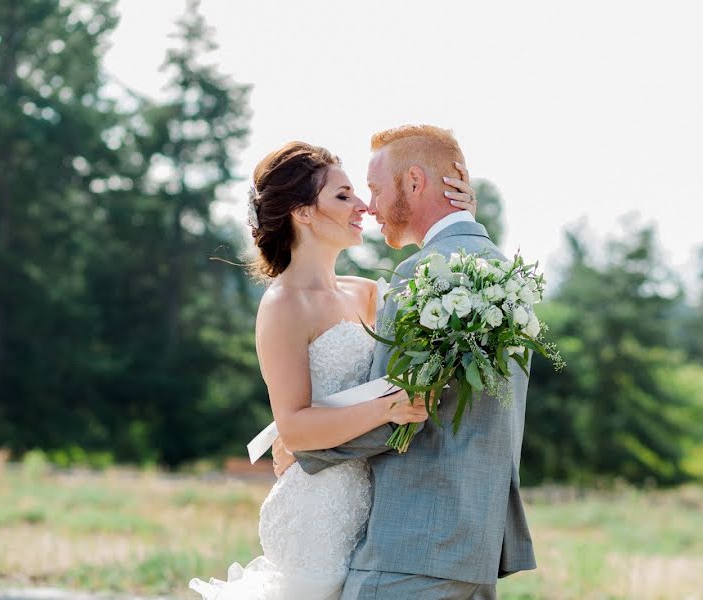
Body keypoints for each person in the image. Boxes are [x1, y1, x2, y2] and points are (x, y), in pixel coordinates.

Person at [189, 139, 477, 600]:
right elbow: (297, 429)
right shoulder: (284, 305)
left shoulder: (366, 292)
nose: (363, 205)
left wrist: (459, 216)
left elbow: (452, 309)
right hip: (317, 517)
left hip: (377, 510)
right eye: (343, 196)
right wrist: (390, 407)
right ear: (302, 213)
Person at [277, 125, 536, 600]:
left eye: (374, 189)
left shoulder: (421, 277)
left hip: (411, 547)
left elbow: (399, 408)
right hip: (478, 548)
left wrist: (300, 445)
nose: (368, 206)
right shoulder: (503, 275)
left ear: (414, 183)